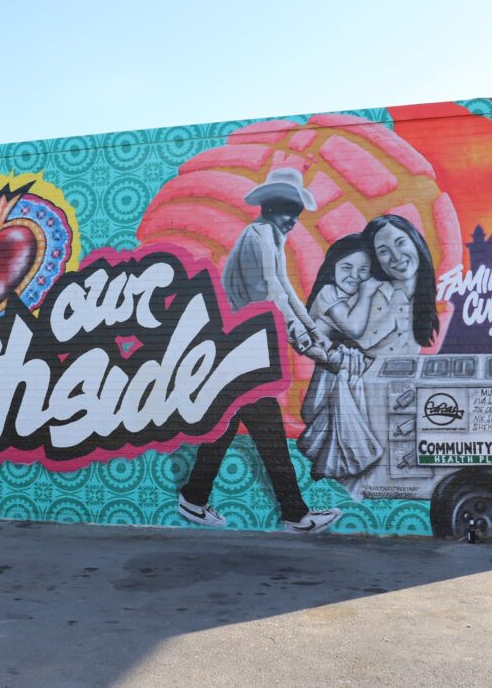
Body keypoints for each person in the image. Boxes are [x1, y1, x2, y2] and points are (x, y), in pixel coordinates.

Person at [178, 167, 343, 533]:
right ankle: (295, 515)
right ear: (271, 206)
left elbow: (286, 289)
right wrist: (305, 342)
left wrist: (313, 332)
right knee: (267, 433)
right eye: (290, 212)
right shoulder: (259, 235)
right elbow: (271, 294)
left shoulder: (269, 237)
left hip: (244, 349)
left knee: (228, 429)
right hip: (243, 348)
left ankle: (194, 497)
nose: (294, 221)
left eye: (297, 214)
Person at [297, 234, 384, 490]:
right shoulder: (327, 293)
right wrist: (368, 293)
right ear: (332, 267)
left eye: (363, 270)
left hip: (341, 372)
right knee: (331, 423)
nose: (354, 275)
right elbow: (355, 329)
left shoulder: (353, 297)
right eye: (346, 267)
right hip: (328, 378)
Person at [357, 214, 439, 356]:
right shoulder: (373, 296)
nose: (396, 256)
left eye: (400, 243)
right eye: (383, 251)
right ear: (376, 259)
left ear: (416, 242)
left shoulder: (421, 297)